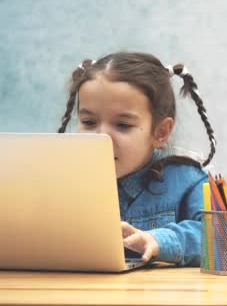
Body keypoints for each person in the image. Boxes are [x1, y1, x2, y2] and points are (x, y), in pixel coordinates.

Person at [58, 52, 216, 267]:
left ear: (161, 132)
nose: (101, 136)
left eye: (122, 125)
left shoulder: (188, 181)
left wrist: (158, 240)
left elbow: (220, 238)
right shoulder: (60, 180)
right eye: (88, 121)